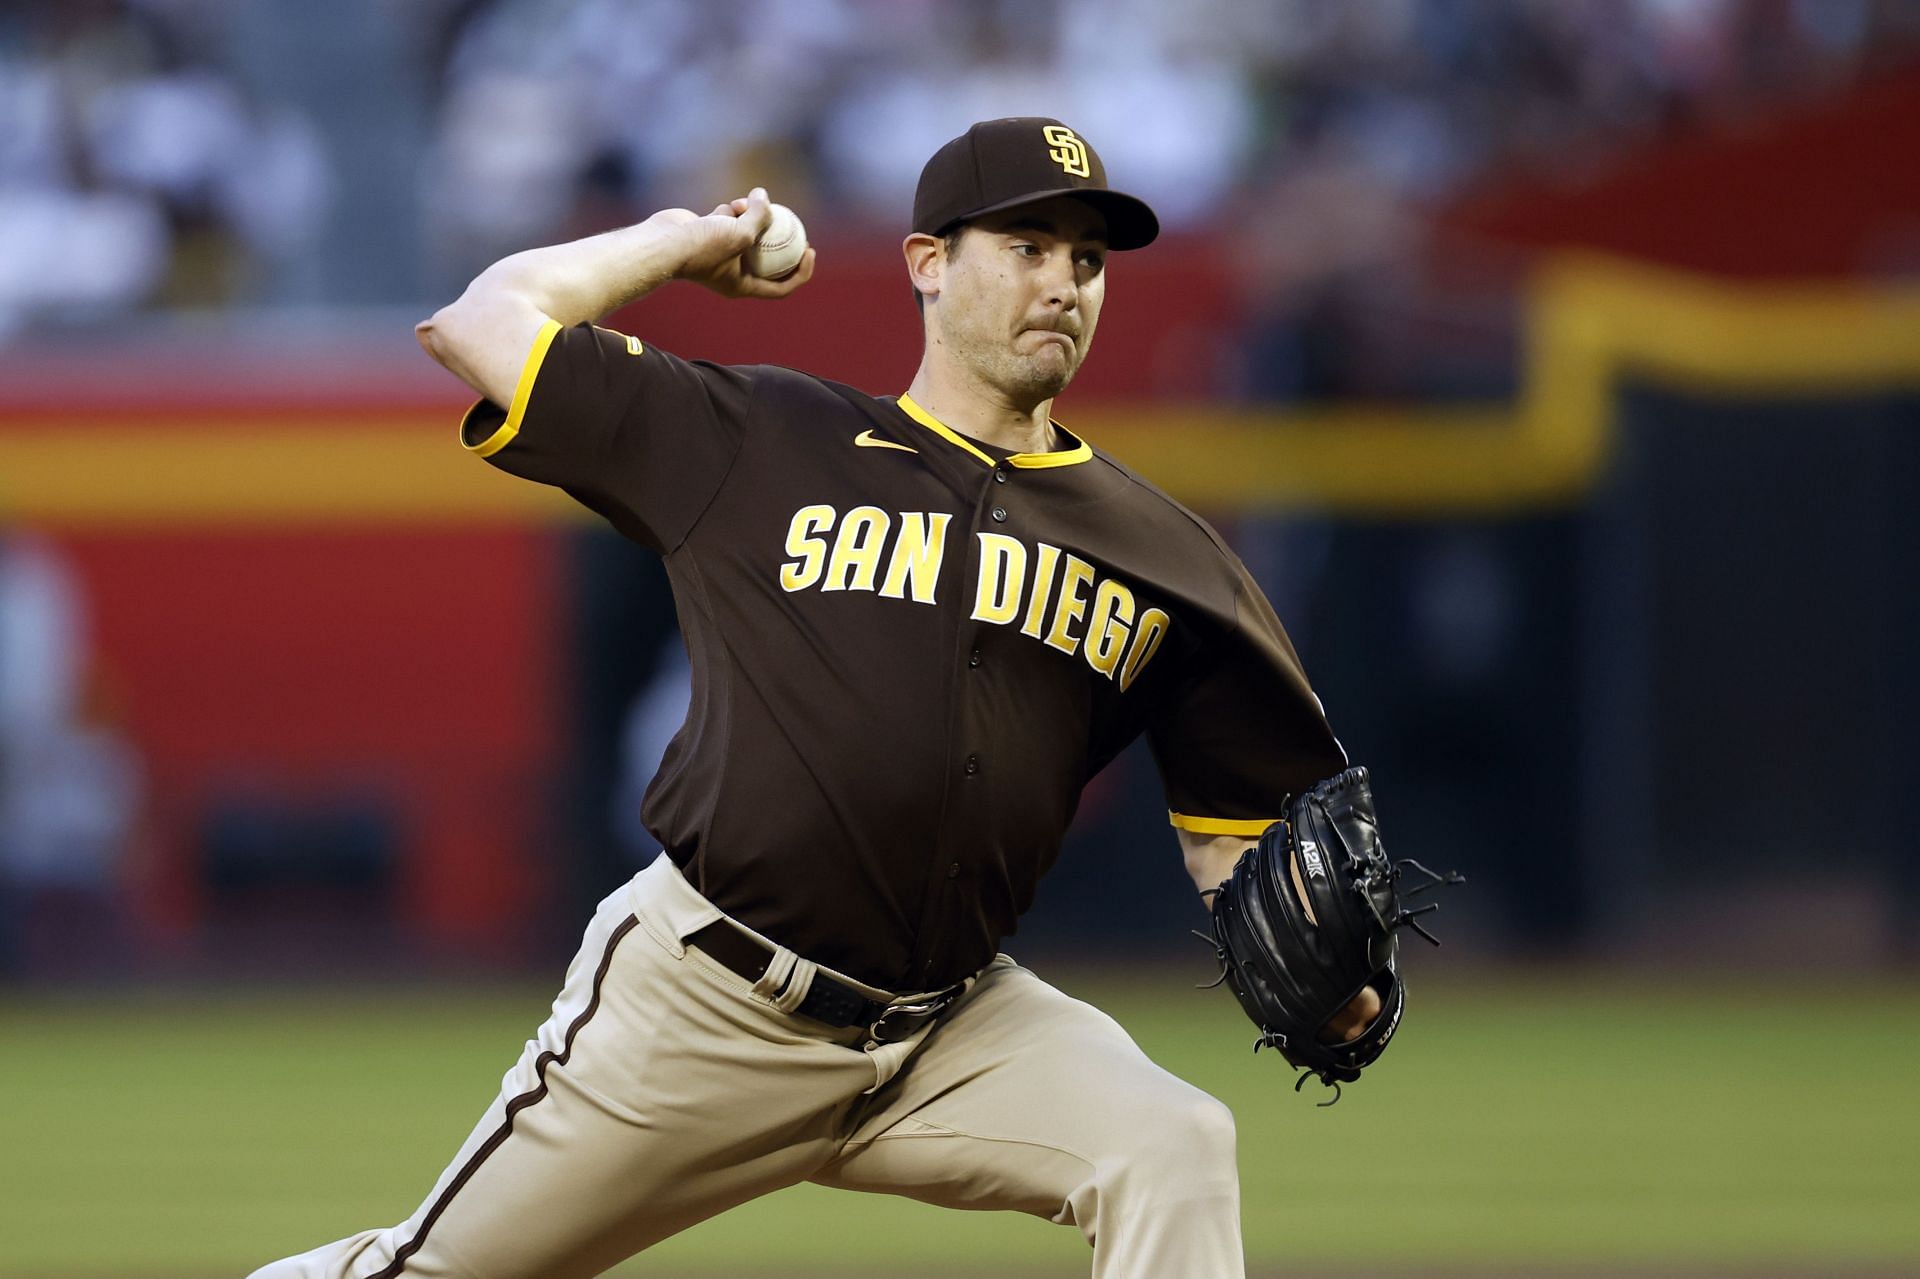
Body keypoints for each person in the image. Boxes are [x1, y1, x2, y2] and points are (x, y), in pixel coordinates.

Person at [253, 116, 1378, 1279]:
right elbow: (480, 326)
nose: (1064, 285)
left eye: (1087, 261)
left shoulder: (1166, 553)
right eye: (1028, 247)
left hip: (955, 1025)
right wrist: (682, 240)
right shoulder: (767, 441)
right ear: (927, 264)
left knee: (1174, 1144)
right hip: (707, 1007)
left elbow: (1245, 836)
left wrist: (1335, 976)